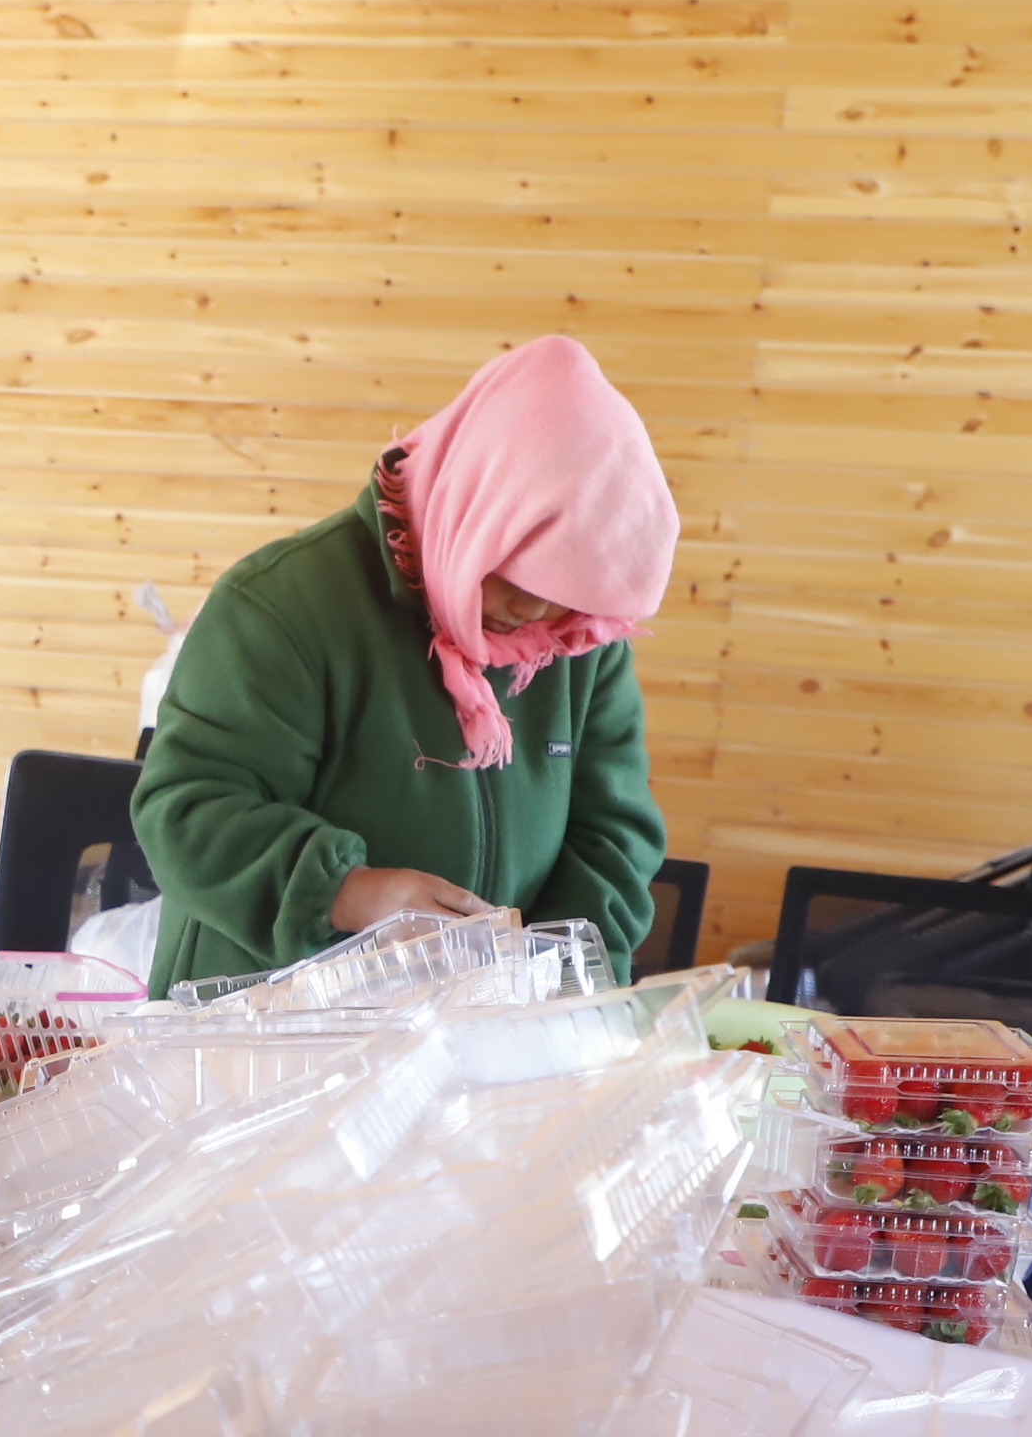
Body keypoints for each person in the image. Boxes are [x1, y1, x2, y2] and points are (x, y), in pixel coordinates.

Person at [130, 336, 676, 993]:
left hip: (475, 1040)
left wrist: (555, 982)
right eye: (515, 567)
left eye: (562, 589)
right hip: (257, 1034)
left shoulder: (575, 638)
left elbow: (614, 837)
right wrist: (350, 893)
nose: (532, 610)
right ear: (476, 506)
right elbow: (184, 809)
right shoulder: (284, 607)